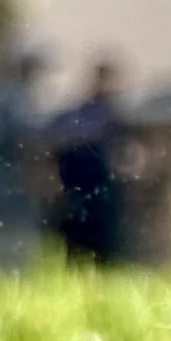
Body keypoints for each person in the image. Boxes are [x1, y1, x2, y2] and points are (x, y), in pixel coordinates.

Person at [50, 60, 132, 266]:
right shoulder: (83, 116)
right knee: (79, 241)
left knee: (104, 243)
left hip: (101, 190)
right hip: (82, 187)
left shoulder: (112, 117)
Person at [0, 46, 47, 271]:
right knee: (9, 255)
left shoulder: (10, 99)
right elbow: (25, 137)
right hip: (6, 193)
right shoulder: (10, 101)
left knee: (16, 252)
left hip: (12, 194)